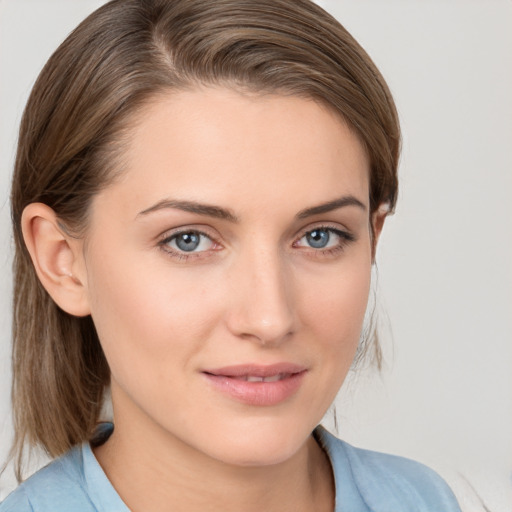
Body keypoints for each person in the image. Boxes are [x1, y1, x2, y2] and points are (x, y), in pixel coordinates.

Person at [0, 0, 462, 510]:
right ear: (62, 259)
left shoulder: (424, 499)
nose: (270, 318)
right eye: (188, 240)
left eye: (320, 236)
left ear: (373, 238)